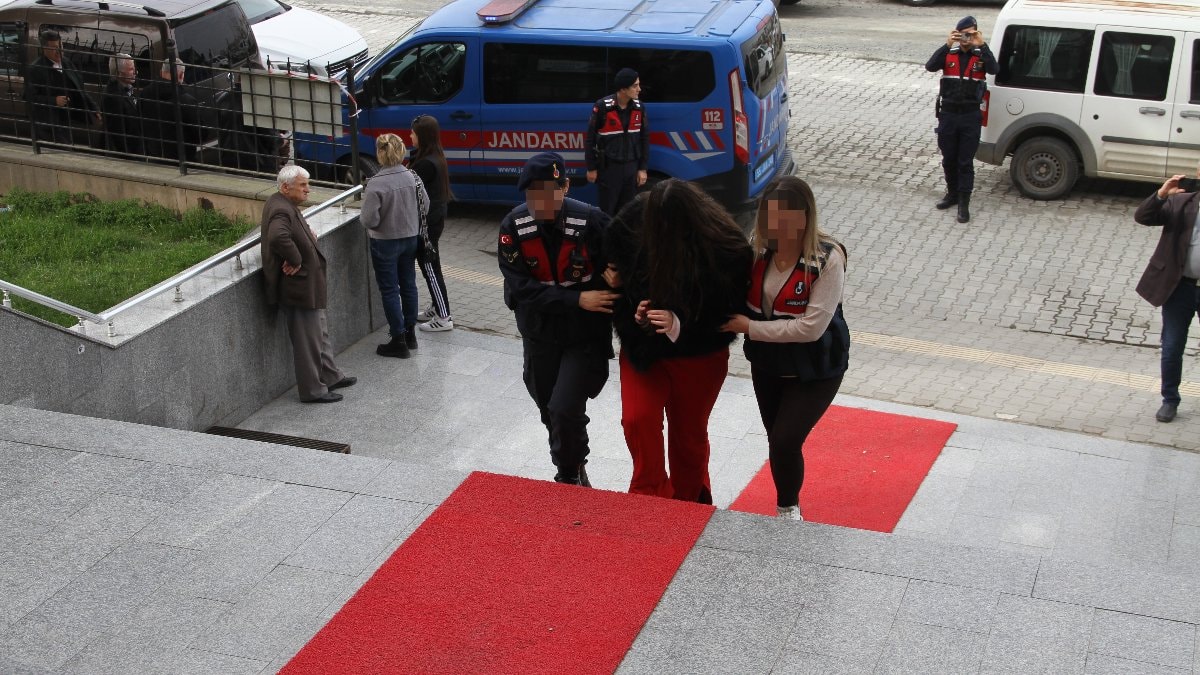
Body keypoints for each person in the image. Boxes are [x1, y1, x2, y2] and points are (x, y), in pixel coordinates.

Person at [604, 179, 752, 503]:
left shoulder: (726, 250)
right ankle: (649, 494)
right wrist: (637, 313)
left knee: (688, 435)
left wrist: (679, 323)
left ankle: (690, 499)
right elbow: (621, 283)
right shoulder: (629, 227)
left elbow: (728, 312)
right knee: (638, 419)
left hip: (699, 355)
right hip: (645, 352)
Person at [720, 176, 849, 521]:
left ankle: (788, 509)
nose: (778, 224)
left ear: (805, 217)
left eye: (787, 216)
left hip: (815, 367)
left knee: (785, 440)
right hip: (768, 364)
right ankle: (787, 502)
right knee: (776, 439)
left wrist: (749, 328)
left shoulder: (828, 258)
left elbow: (810, 328)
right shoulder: (758, 249)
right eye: (772, 215)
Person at [497, 152, 617, 486]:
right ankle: (572, 462)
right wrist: (578, 298)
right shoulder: (513, 227)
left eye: (548, 192)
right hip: (540, 334)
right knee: (549, 408)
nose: (540, 202)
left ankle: (568, 476)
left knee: (564, 407)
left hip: (583, 335)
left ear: (564, 187)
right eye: (532, 194)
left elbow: (626, 251)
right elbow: (522, 288)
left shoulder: (592, 221)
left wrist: (617, 273)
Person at [261, 165, 356, 403]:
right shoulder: (281, 209)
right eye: (303, 185)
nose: (308, 190)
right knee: (308, 342)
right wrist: (296, 258)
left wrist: (307, 235)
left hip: (307, 287)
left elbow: (292, 231)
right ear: (286, 187)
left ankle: (331, 375)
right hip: (299, 288)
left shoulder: (284, 204)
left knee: (319, 335)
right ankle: (313, 390)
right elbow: (278, 236)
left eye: (307, 184)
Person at [1133, 170, 1200, 423]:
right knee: (1172, 347)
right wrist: (1161, 195)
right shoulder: (1181, 201)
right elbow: (1144, 217)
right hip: (1180, 287)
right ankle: (1170, 400)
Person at [360, 133, 427, 359]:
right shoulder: (413, 177)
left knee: (390, 290)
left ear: (380, 153)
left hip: (384, 242)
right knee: (409, 285)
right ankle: (410, 334)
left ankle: (397, 339)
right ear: (401, 151)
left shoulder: (376, 183)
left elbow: (369, 220)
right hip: (410, 239)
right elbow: (425, 206)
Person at [925, 16, 997, 224]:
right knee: (949, 158)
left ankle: (964, 203)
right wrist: (947, 44)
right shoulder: (949, 53)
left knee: (965, 162)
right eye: (963, 34)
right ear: (956, 34)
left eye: (970, 34)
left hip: (970, 116)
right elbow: (930, 66)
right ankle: (952, 194)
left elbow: (995, 69)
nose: (966, 38)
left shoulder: (981, 55)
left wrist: (982, 45)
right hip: (948, 115)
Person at [409, 114, 454, 332]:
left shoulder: (426, 164)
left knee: (430, 267)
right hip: (434, 220)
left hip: (427, 224)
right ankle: (437, 307)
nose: (410, 136)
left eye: (413, 133)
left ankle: (444, 317)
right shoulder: (436, 156)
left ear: (423, 136)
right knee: (431, 266)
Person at [585, 67, 648, 216]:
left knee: (628, 212)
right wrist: (591, 168)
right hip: (609, 168)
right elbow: (590, 139)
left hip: (631, 167)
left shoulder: (639, 107)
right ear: (623, 89)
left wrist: (642, 168)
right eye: (635, 85)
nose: (639, 89)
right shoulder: (602, 107)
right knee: (607, 212)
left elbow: (644, 139)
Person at [25, 30, 100, 144]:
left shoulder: (66, 63)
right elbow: (29, 97)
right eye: (54, 48)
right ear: (44, 49)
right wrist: (54, 100)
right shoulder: (35, 69)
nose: (59, 51)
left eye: (60, 46)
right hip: (48, 123)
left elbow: (79, 88)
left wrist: (94, 108)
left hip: (67, 120)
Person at [139, 60, 204, 160]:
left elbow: (140, 125)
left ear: (161, 73)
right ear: (181, 75)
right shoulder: (185, 100)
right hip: (183, 159)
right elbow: (200, 133)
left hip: (155, 158)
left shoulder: (144, 94)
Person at [101, 53, 143, 155]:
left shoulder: (126, 88)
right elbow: (117, 134)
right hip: (128, 153)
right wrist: (129, 157)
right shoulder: (113, 97)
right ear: (119, 74)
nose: (136, 72)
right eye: (131, 69)